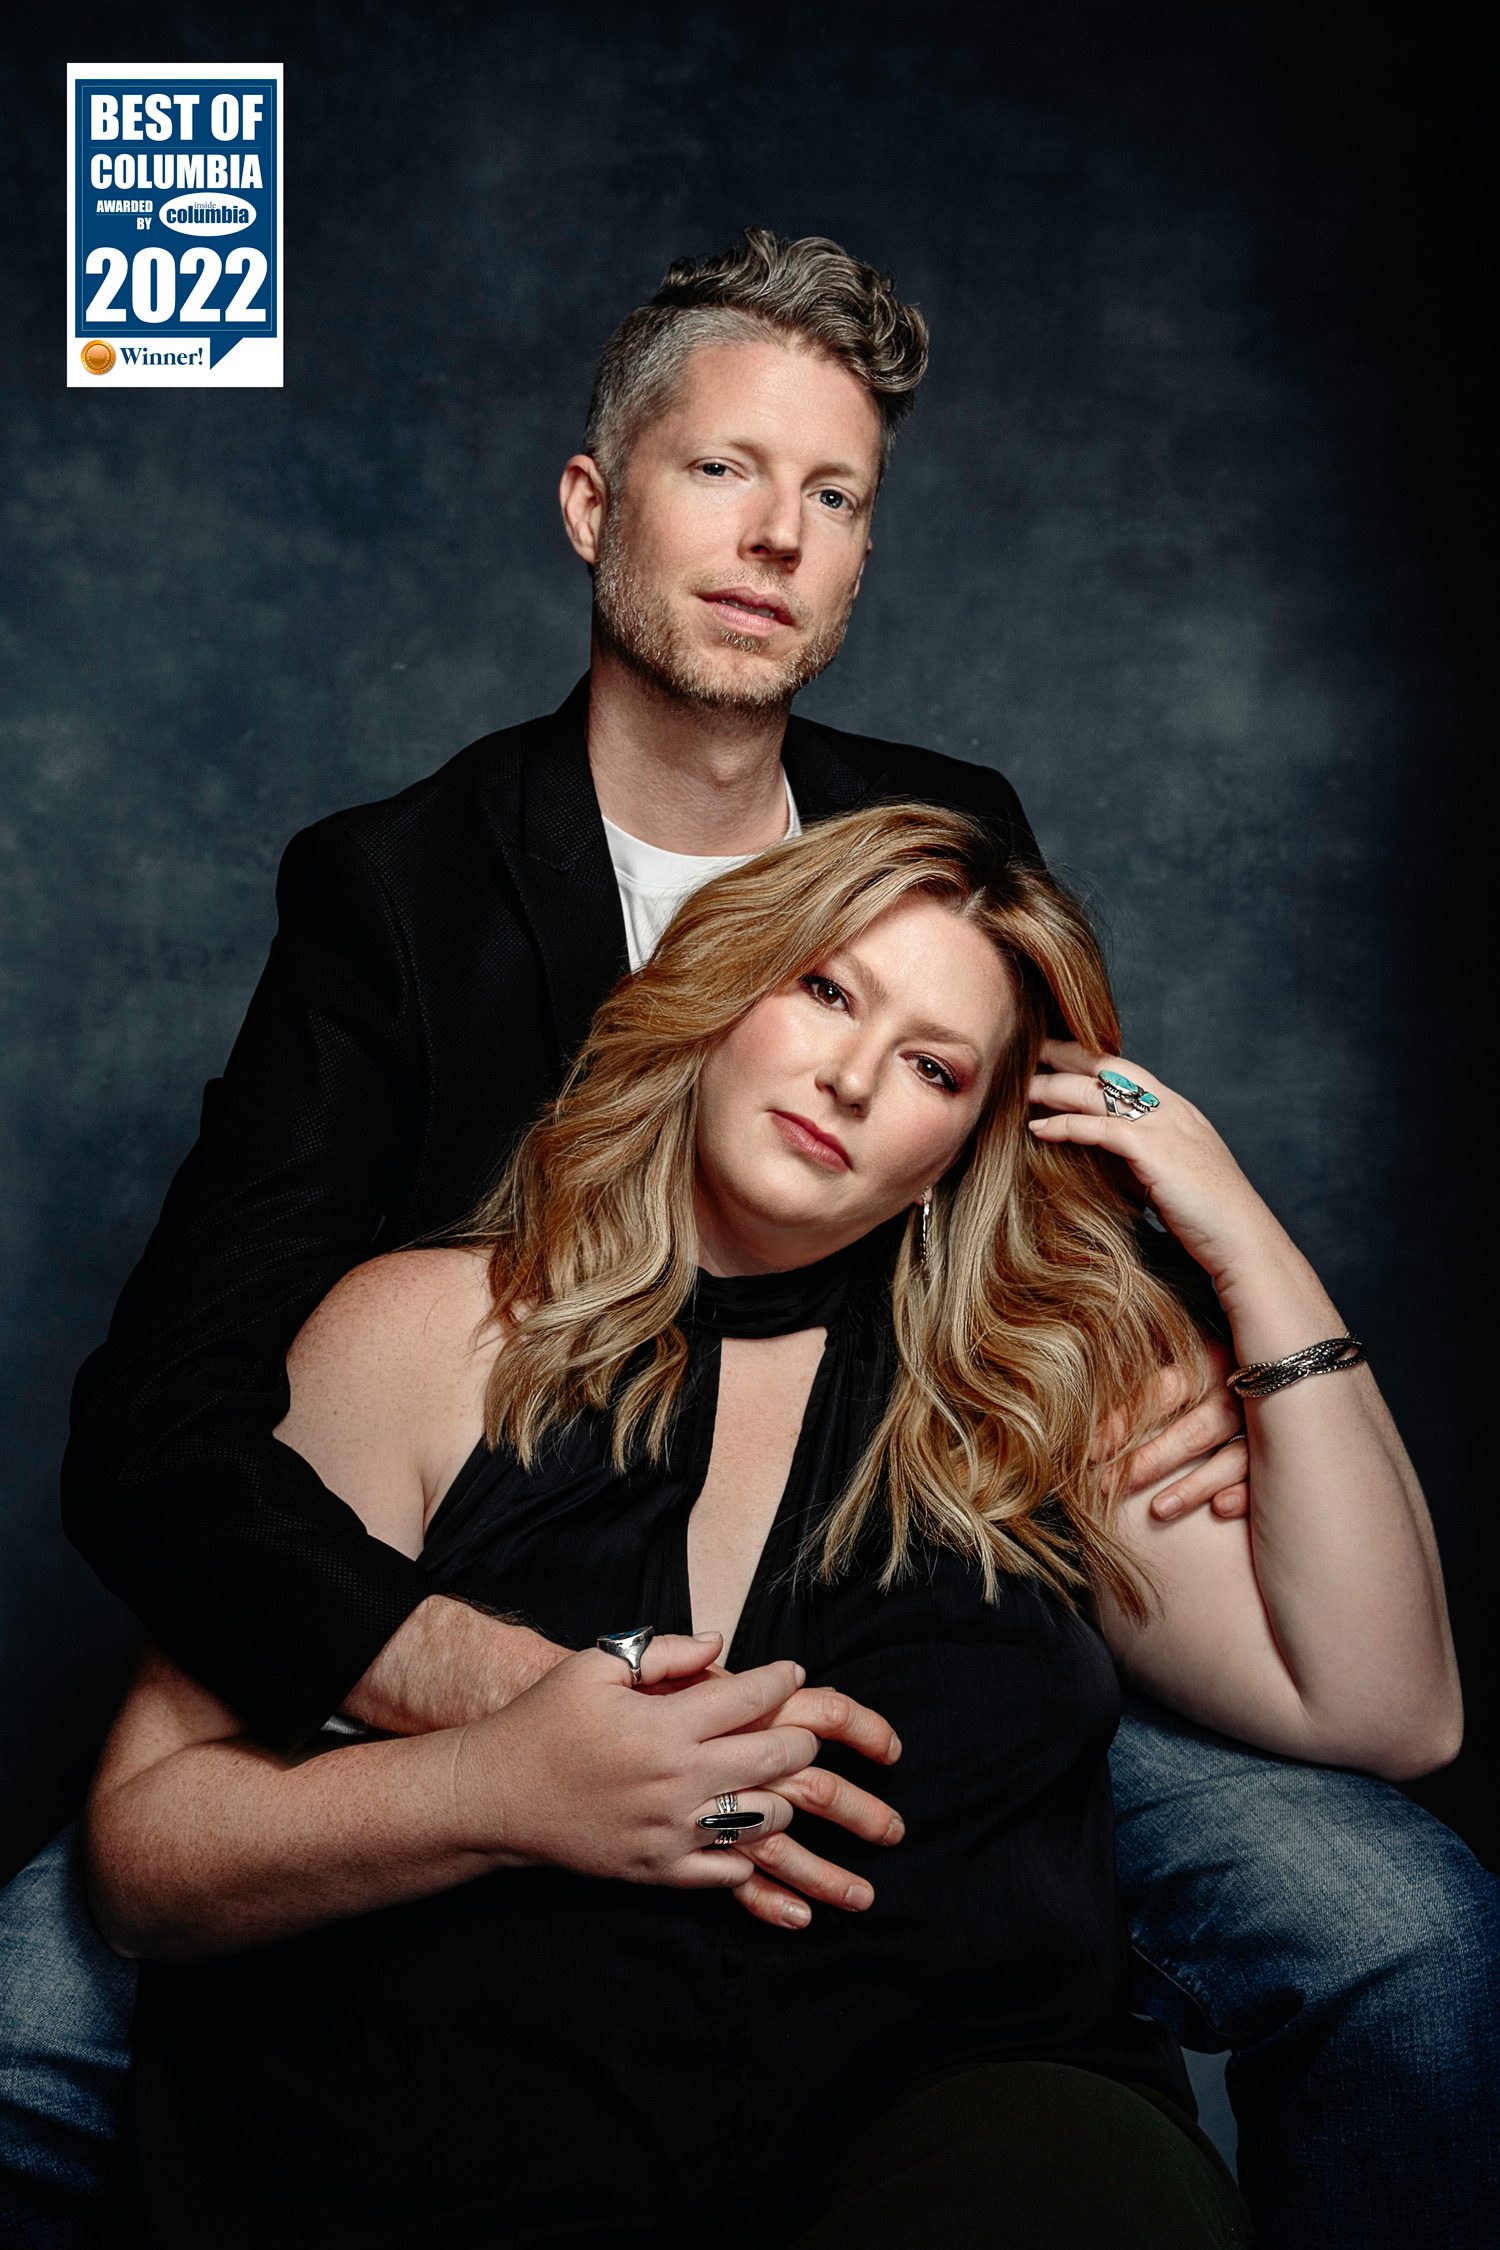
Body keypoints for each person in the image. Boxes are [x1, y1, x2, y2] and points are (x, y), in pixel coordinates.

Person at [1, 229, 1494, 2249]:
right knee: (41, 2010)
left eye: (834, 492)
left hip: (921, 1659)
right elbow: (162, 1438)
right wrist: (512, 1704)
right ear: (594, 504)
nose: (776, 536)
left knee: (1400, 1927)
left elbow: (1026, 1225)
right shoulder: (400, 895)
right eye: (722, 471)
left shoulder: (945, 834)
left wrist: (1216, 1372)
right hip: (504, 1631)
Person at [84, 803, 1459, 2248]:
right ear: (723, 990)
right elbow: (148, 1852)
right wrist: (498, 1789)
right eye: (826, 989)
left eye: (933, 1065)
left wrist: (1239, 1233)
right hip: (465, 2140)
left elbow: (1388, 1706)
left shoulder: (1042, 1372)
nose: (856, 1076)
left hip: (958, 2136)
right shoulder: (424, 1330)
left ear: (959, 1148)